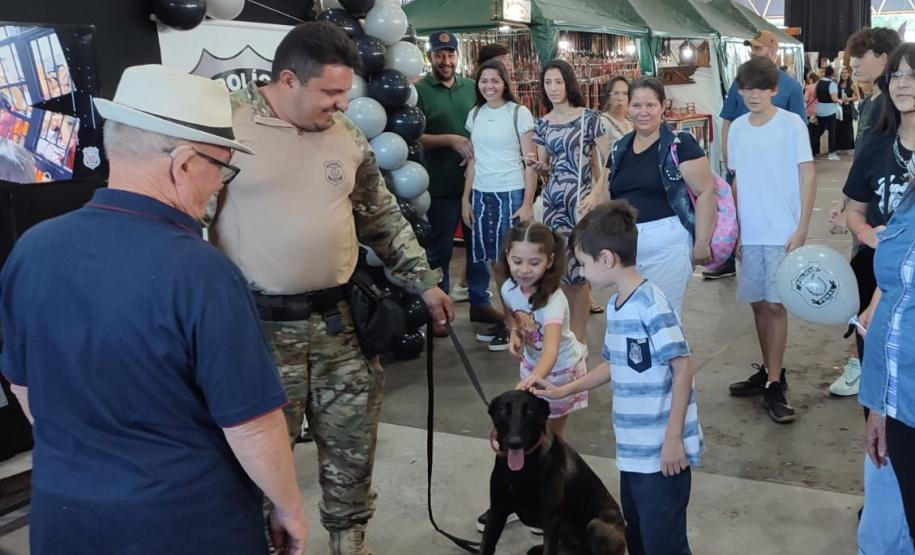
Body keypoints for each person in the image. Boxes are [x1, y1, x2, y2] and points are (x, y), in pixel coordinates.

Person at [1, 64, 309, 554]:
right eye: (221, 167)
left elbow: (22, 383)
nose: (219, 186)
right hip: (184, 522)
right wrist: (289, 506)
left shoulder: (32, 248)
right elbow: (250, 423)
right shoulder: (202, 273)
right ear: (184, 162)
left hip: (65, 517)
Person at [210, 23, 453, 555]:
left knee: (351, 455)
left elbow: (382, 217)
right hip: (257, 333)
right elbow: (187, 227)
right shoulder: (224, 126)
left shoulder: (346, 134)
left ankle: (350, 545)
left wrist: (425, 283)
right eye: (330, 92)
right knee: (253, 471)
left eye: (346, 91)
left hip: (341, 326)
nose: (342, 103)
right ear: (289, 79)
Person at [526, 200, 702, 555]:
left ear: (606, 259)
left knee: (663, 543)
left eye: (585, 264)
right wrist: (564, 388)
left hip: (661, 454)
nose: (584, 273)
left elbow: (682, 367)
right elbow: (614, 364)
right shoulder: (620, 305)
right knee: (638, 536)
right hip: (634, 453)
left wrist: (673, 439)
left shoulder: (651, 304)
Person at [475, 221, 589, 534]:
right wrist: (513, 331)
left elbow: (551, 350)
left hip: (558, 375)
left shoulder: (554, 300)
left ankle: (549, 500)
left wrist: (530, 384)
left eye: (534, 262)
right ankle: (511, 500)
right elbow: (514, 314)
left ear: (551, 261)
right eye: (517, 261)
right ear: (507, 257)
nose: (524, 270)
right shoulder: (510, 287)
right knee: (517, 437)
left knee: (549, 443)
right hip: (531, 367)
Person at [725, 56, 816, 424]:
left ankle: (776, 382)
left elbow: (807, 176)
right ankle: (768, 370)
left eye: (761, 88)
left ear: (775, 90)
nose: (753, 95)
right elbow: (735, 180)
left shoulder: (792, 125)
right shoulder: (738, 130)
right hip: (751, 232)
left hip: (783, 232)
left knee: (778, 306)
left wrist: (802, 227)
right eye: (746, 88)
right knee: (759, 304)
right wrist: (733, 230)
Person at [853, 43, 915, 552]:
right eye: (897, 74)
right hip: (897, 395)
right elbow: (854, 209)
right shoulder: (879, 143)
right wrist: (877, 409)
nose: (903, 83)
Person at [826, 27, 902, 394]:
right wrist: (851, 211)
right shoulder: (872, 104)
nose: (854, 63)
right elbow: (866, 169)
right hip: (872, 229)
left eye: (863, 55)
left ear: (885, 59)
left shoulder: (887, 105)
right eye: (852, 56)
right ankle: (864, 365)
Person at [416, 31, 503, 339]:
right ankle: (440, 310)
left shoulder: (471, 87)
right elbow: (414, 136)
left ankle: (480, 301)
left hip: (477, 184)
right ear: (430, 57)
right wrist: (450, 140)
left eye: (450, 54)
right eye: (440, 54)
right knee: (439, 251)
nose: (446, 60)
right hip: (439, 185)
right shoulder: (419, 91)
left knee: (478, 249)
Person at [604, 77, 717, 313]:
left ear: (663, 106)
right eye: (636, 105)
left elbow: (706, 191)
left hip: (668, 246)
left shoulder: (680, 144)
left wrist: (702, 243)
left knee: (663, 319)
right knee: (632, 317)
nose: (643, 112)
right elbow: (607, 193)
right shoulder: (620, 148)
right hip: (626, 248)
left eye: (650, 105)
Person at [710, 30, 806, 281]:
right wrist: (727, 155)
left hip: (778, 183)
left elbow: (802, 146)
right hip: (746, 169)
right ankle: (729, 257)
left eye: (759, 48)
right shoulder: (737, 85)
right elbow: (728, 119)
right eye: (752, 48)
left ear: (773, 53)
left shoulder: (791, 89)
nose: (753, 52)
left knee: (777, 291)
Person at [529, 59, 609, 343]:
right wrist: (538, 169)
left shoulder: (589, 118)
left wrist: (596, 193)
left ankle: (580, 341)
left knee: (580, 272)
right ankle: (563, 339)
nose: (553, 88)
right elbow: (545, 165)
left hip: (580, 202)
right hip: (553, 203)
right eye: (548, 82)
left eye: (558, 81)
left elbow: (610, 160)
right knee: (560, 271)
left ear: (569, 83)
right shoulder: (542, 123)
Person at [461, 58, 537, 351]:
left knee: (515, 264)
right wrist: (465, 198)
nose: (489, 85)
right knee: (495, 264)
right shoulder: (475, 114)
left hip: (511, 194)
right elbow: (473, 160)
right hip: (482, 194)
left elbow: (530, 162)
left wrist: (528, 202)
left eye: (495, 80)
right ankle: (508, 321)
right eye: (483, 80)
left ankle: (521, 325)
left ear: (505, 82)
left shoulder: (519, 113)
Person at [810, 66, 841, 160]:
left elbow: (814, 95)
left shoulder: (818, 83)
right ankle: (831, 153)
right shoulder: (832, 84)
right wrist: (840, 101)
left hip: (820, 110)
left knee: (818, 131)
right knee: (832, 132)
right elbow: (834, 99)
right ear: (832, 74)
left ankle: (809, 151)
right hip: (830, 111)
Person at [601, 75, 633, 150]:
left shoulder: (628, 123)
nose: (620, 98)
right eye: (616, 93)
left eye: (625, 93)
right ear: (608, 98)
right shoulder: (602, 123)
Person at [836, 66, 860, 152]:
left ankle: (849, 147)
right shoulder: (838, 84)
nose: (844, 74)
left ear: (849, 74)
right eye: (842, 73)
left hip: (848, 108)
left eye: (845, 73)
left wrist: (848, 99)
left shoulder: (852, 84)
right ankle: (840, 147)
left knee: (848, 128)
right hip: (839, 108)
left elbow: (857, 97)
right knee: (839, 127)